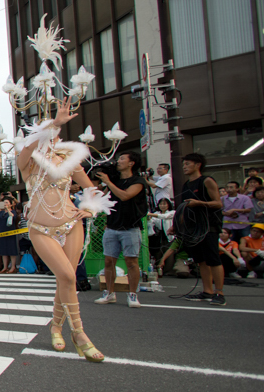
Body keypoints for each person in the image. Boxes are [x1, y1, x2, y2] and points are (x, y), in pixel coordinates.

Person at [17, 97, 112, 363]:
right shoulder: (27, 162)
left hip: (72, 224)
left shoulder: (69, 162)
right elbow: (29, 146)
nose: (54, 139)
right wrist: (53, 124)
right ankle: (79, 334)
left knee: (66, 278)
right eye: (50, 133)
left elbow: (90, 188)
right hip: (40, 228)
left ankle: (57, 327)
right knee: (67, 278)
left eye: (57, 134)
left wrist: (90, 207)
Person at [94, 151, 148, 308]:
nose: (119, 161)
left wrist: (109, 183)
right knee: (109, 261)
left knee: (132, 261)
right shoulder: (115, 179)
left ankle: (132, 294)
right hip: (111, 226)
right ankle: (109, 293)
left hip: (130, 227)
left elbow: (125, 196)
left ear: (131, 163)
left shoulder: (138, 181)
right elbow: (102, 196)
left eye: (122, 158)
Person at [176, 153, 225, 305]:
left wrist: (199, 203)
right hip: (193, 227)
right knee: (201, 261)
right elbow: (184, 207)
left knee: (213, 259)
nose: (184, 167)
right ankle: (207, 291)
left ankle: (219, 293)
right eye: (184, 164)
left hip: (209, 225)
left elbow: (218, 203)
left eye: (187, 164)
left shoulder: (206, 181)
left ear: (197, 165)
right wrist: (176, 224)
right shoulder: (186, 185)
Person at [147, 198, 175, 275]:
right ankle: (160, 269)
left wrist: (150, 214)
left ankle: (168, 270)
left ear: (168, 205)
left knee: (169, 257)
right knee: (159, 254)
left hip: (170, 238)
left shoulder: (172, 213)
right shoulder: (156, 213)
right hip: (159, 238)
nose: (162, 206)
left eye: (164, 204)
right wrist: (149, 218)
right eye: (161, 204)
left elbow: (164, 216)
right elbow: (152, 222)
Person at [0, 199, 20, 273]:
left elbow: (12, 216)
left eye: (7, 202)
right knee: (3, 250)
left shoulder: (13, 212)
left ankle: (13, 267)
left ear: (10, 204)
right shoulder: (1, 213)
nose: (5, 204)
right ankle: (5, 267)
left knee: (12, 249)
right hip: (2, 232)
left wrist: (7, 209)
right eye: (4, 202)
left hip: (10, 232)